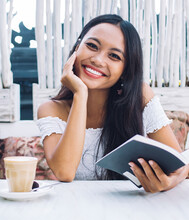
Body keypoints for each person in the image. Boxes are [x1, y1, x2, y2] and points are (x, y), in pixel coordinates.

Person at [36, 14, 188, 193]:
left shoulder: (140, 95)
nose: (98, 60)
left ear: (125, 70)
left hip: (132, 209)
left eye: (114, 56)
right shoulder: (50, 109)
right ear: (77, 48)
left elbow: (180, 164)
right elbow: (65, 172)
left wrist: (170, 181)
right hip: (76, 210)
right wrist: (80, 94)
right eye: (92, 46)